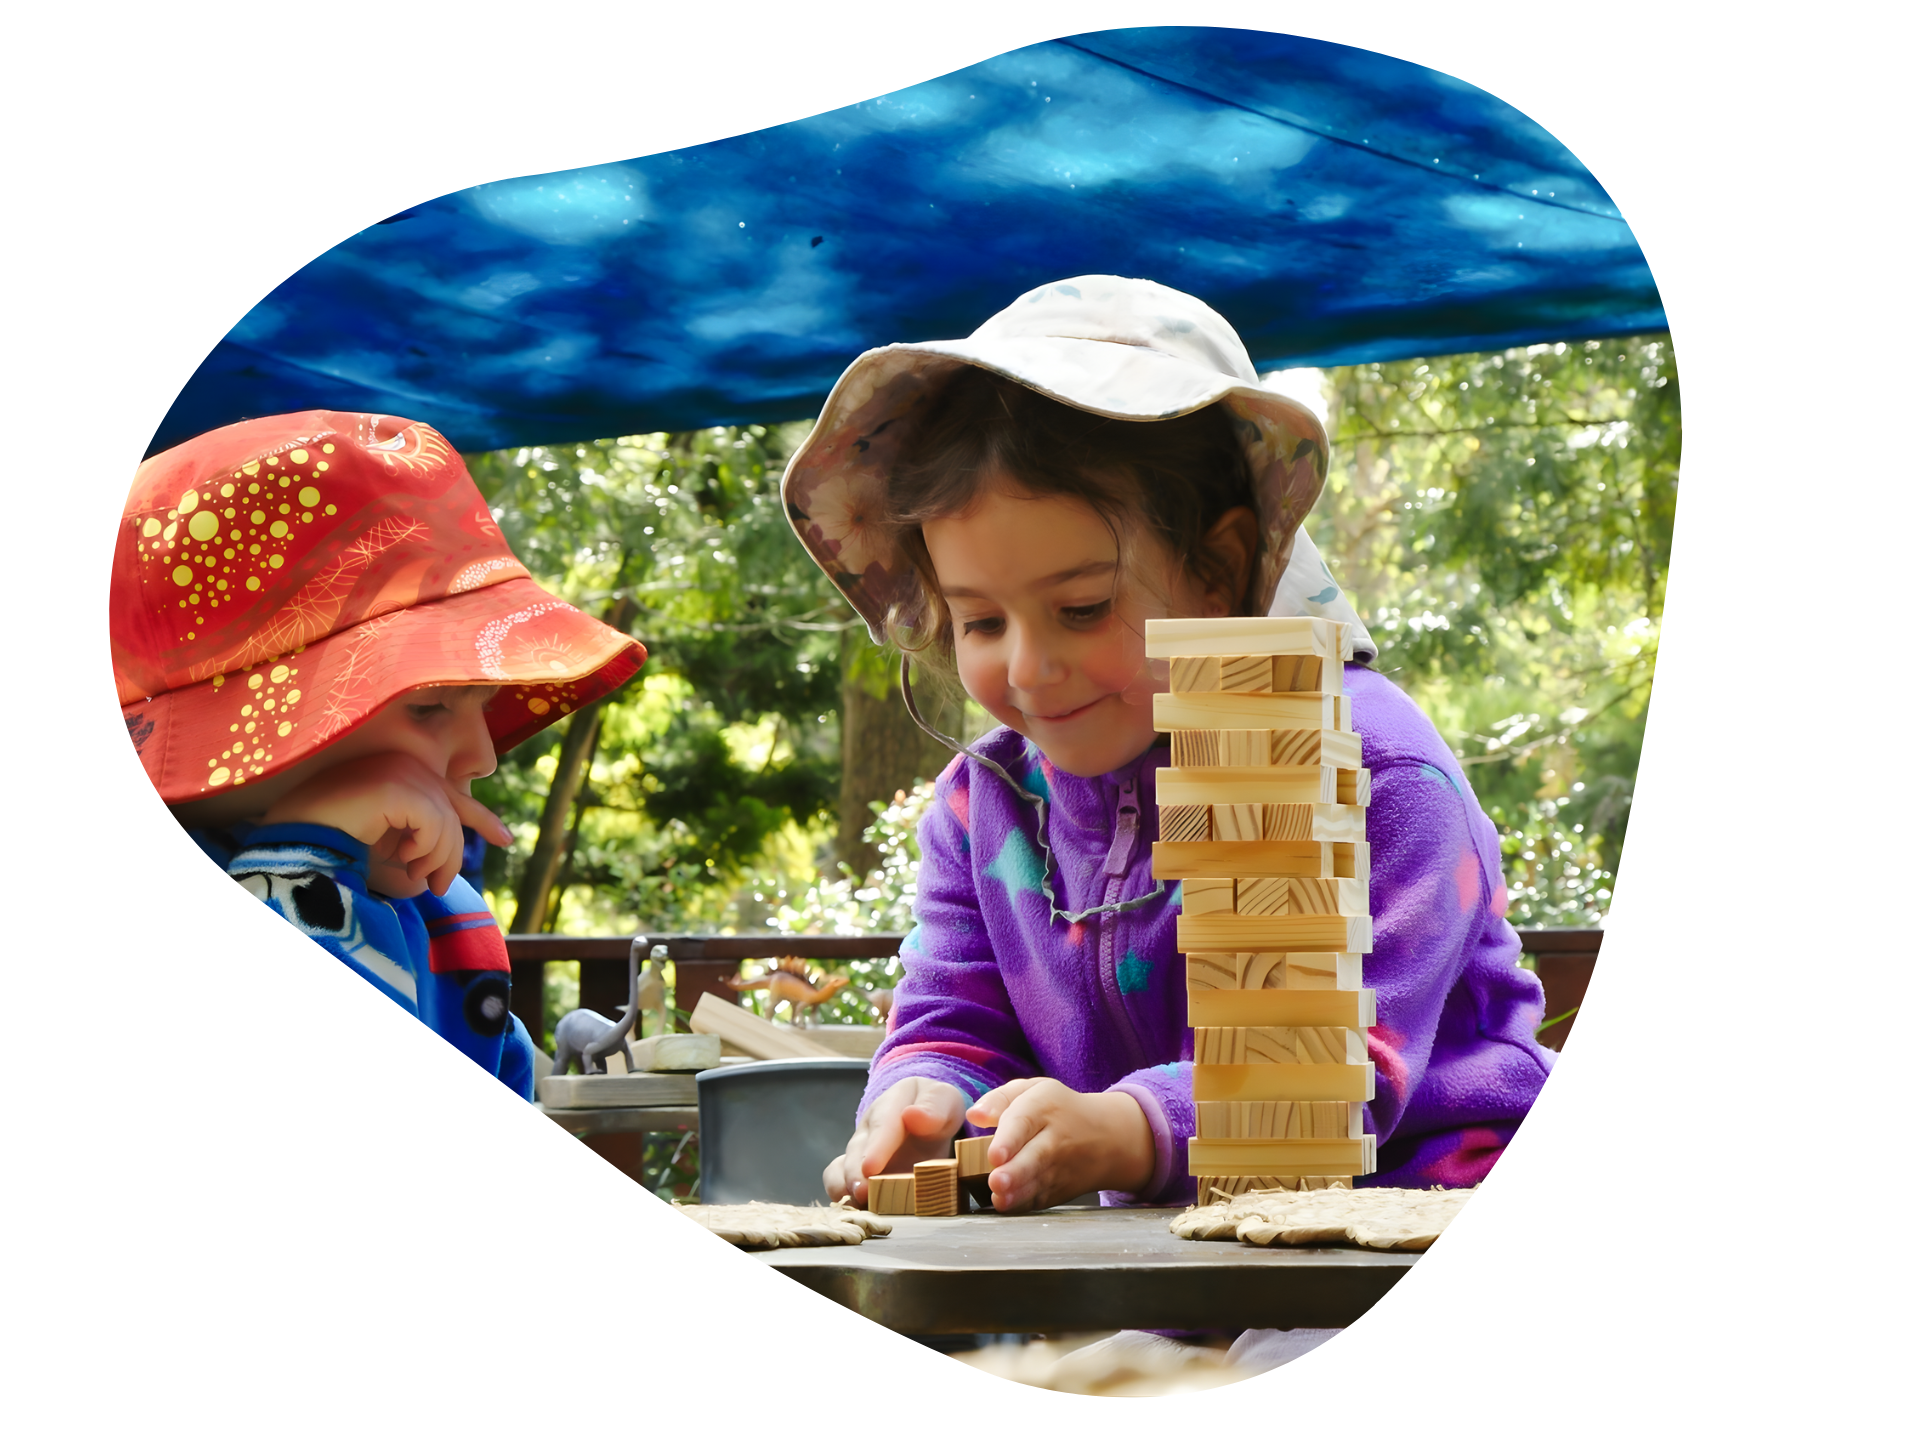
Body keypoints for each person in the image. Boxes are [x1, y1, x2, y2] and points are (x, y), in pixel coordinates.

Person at [783, 276, 1557, 1212]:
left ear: (1220, 568)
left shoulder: (1366, 769)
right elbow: (959, 1017)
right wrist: (930, 1091)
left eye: (1082, 608)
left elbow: (1332, 1075)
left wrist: (1135, 1129)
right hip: (1176, 1272)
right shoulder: (981, 806)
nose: (1028, 668)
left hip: (1405, 1223)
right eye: (981, 620)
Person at [115, 411, 646, 1099]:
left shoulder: (437, 914)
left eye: (485, 703)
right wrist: (303, 869)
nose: (484, 757)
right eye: (428, 706)